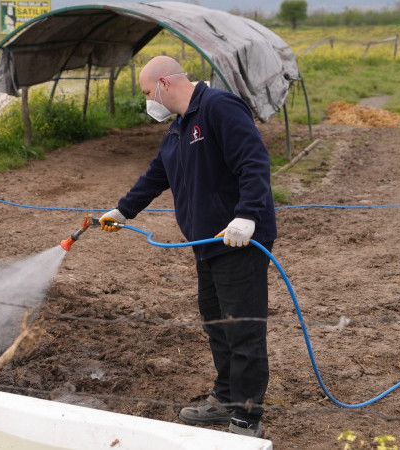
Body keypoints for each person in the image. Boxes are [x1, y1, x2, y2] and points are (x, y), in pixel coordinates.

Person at [98, 55, 276, 438]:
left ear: (164, 83)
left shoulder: (218, 107)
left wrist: (247, 215)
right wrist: (123, 211)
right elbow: (156, 174)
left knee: (242, 329)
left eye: (147, 92)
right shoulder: (179, 128)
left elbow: (254, 161)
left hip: (239, 242)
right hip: (207, 245)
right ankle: (225, 398)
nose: (148, 102)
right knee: (217, 324)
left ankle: (246, 418)